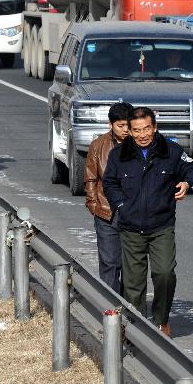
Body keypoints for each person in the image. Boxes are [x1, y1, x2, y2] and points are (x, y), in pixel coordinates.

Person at [102, 106, 193, 337]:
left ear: (154, 127)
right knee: (133, 283)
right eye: (137, 130)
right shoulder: (119, 155)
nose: (142, 135)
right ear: (130, 130)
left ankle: (161, 320)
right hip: (130, 227)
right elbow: (109, 183)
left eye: (147, 129)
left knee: (165, 273)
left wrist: (187, 184)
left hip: (162, 226)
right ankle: (136, 327)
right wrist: (121, 206)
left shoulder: (172, 151)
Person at [85, 102, 134, 294]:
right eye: (120, 126)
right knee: (109, 263)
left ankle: (130, 309)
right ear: (110, 125)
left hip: (133, 213)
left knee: (131, 266)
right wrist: (93, 204)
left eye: (127, 125)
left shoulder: (141, 144)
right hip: (106, 213)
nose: (125, 130)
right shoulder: (98, 145)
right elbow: (90, 177)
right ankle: (110, 311)